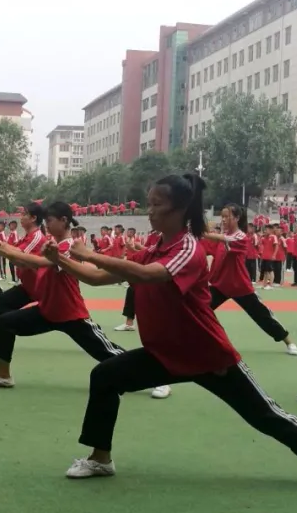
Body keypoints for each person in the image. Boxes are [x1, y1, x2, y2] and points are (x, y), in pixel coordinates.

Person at [45, 174, 297, 479]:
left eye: (156, 204)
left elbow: (149, 275)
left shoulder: (187, 249)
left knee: (265, 416)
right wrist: (63, 259)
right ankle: (100, 459)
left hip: (207, 356)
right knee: (105, 376)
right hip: (164, 353)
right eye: (149, 203)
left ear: (178, 209)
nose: (149, 210)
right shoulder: (153, 249)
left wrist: (88, 253)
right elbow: (98, 278)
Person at [0, 202, 125, 388]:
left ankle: (154, 377)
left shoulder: (68, 247)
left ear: (64, 221)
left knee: (106, 352)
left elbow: (34, 261)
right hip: (47, 311)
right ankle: (3, 375)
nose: (46, 224)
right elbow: (23, 258)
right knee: (5, 323)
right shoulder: (54, 243)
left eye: (49, 220)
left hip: (70, 314)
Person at [202, 205, 296, 355]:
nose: (224, 220)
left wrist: (201, 231)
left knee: (262, 315)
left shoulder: (240, 237)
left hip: (240, 286)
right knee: (198, 309)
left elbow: (224, 239)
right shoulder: (220, 237)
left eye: (227, 216)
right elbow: (204, 246)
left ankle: (288, 342)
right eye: (222, 217)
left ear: (237, 218)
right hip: (219, 285)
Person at [0, 204, 45, 351]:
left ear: (33, 218)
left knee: (70, 321)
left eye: (25, 214)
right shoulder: (27, 237)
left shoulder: (37, 237)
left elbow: (18, 256)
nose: (21, 217)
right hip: (28, 287)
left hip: (41, 289)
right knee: (2, 301)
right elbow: (12, 254)